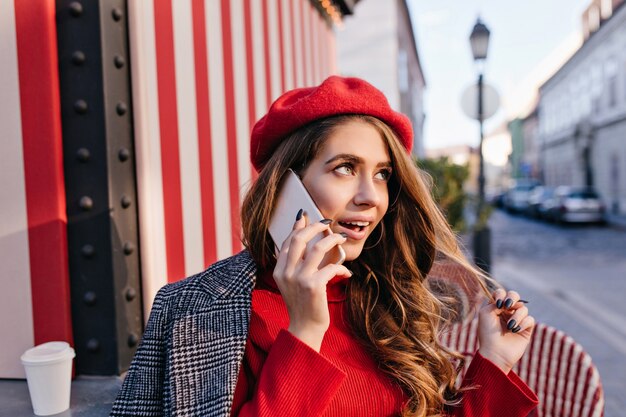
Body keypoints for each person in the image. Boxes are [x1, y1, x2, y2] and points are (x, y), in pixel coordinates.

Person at [111, 76, 538, 417]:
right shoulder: (195, 309)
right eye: (345, 168)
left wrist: (494, 362)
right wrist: (305, 332)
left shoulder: (389, 295)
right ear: (284, 189)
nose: (370, 197)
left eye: (383, 174)